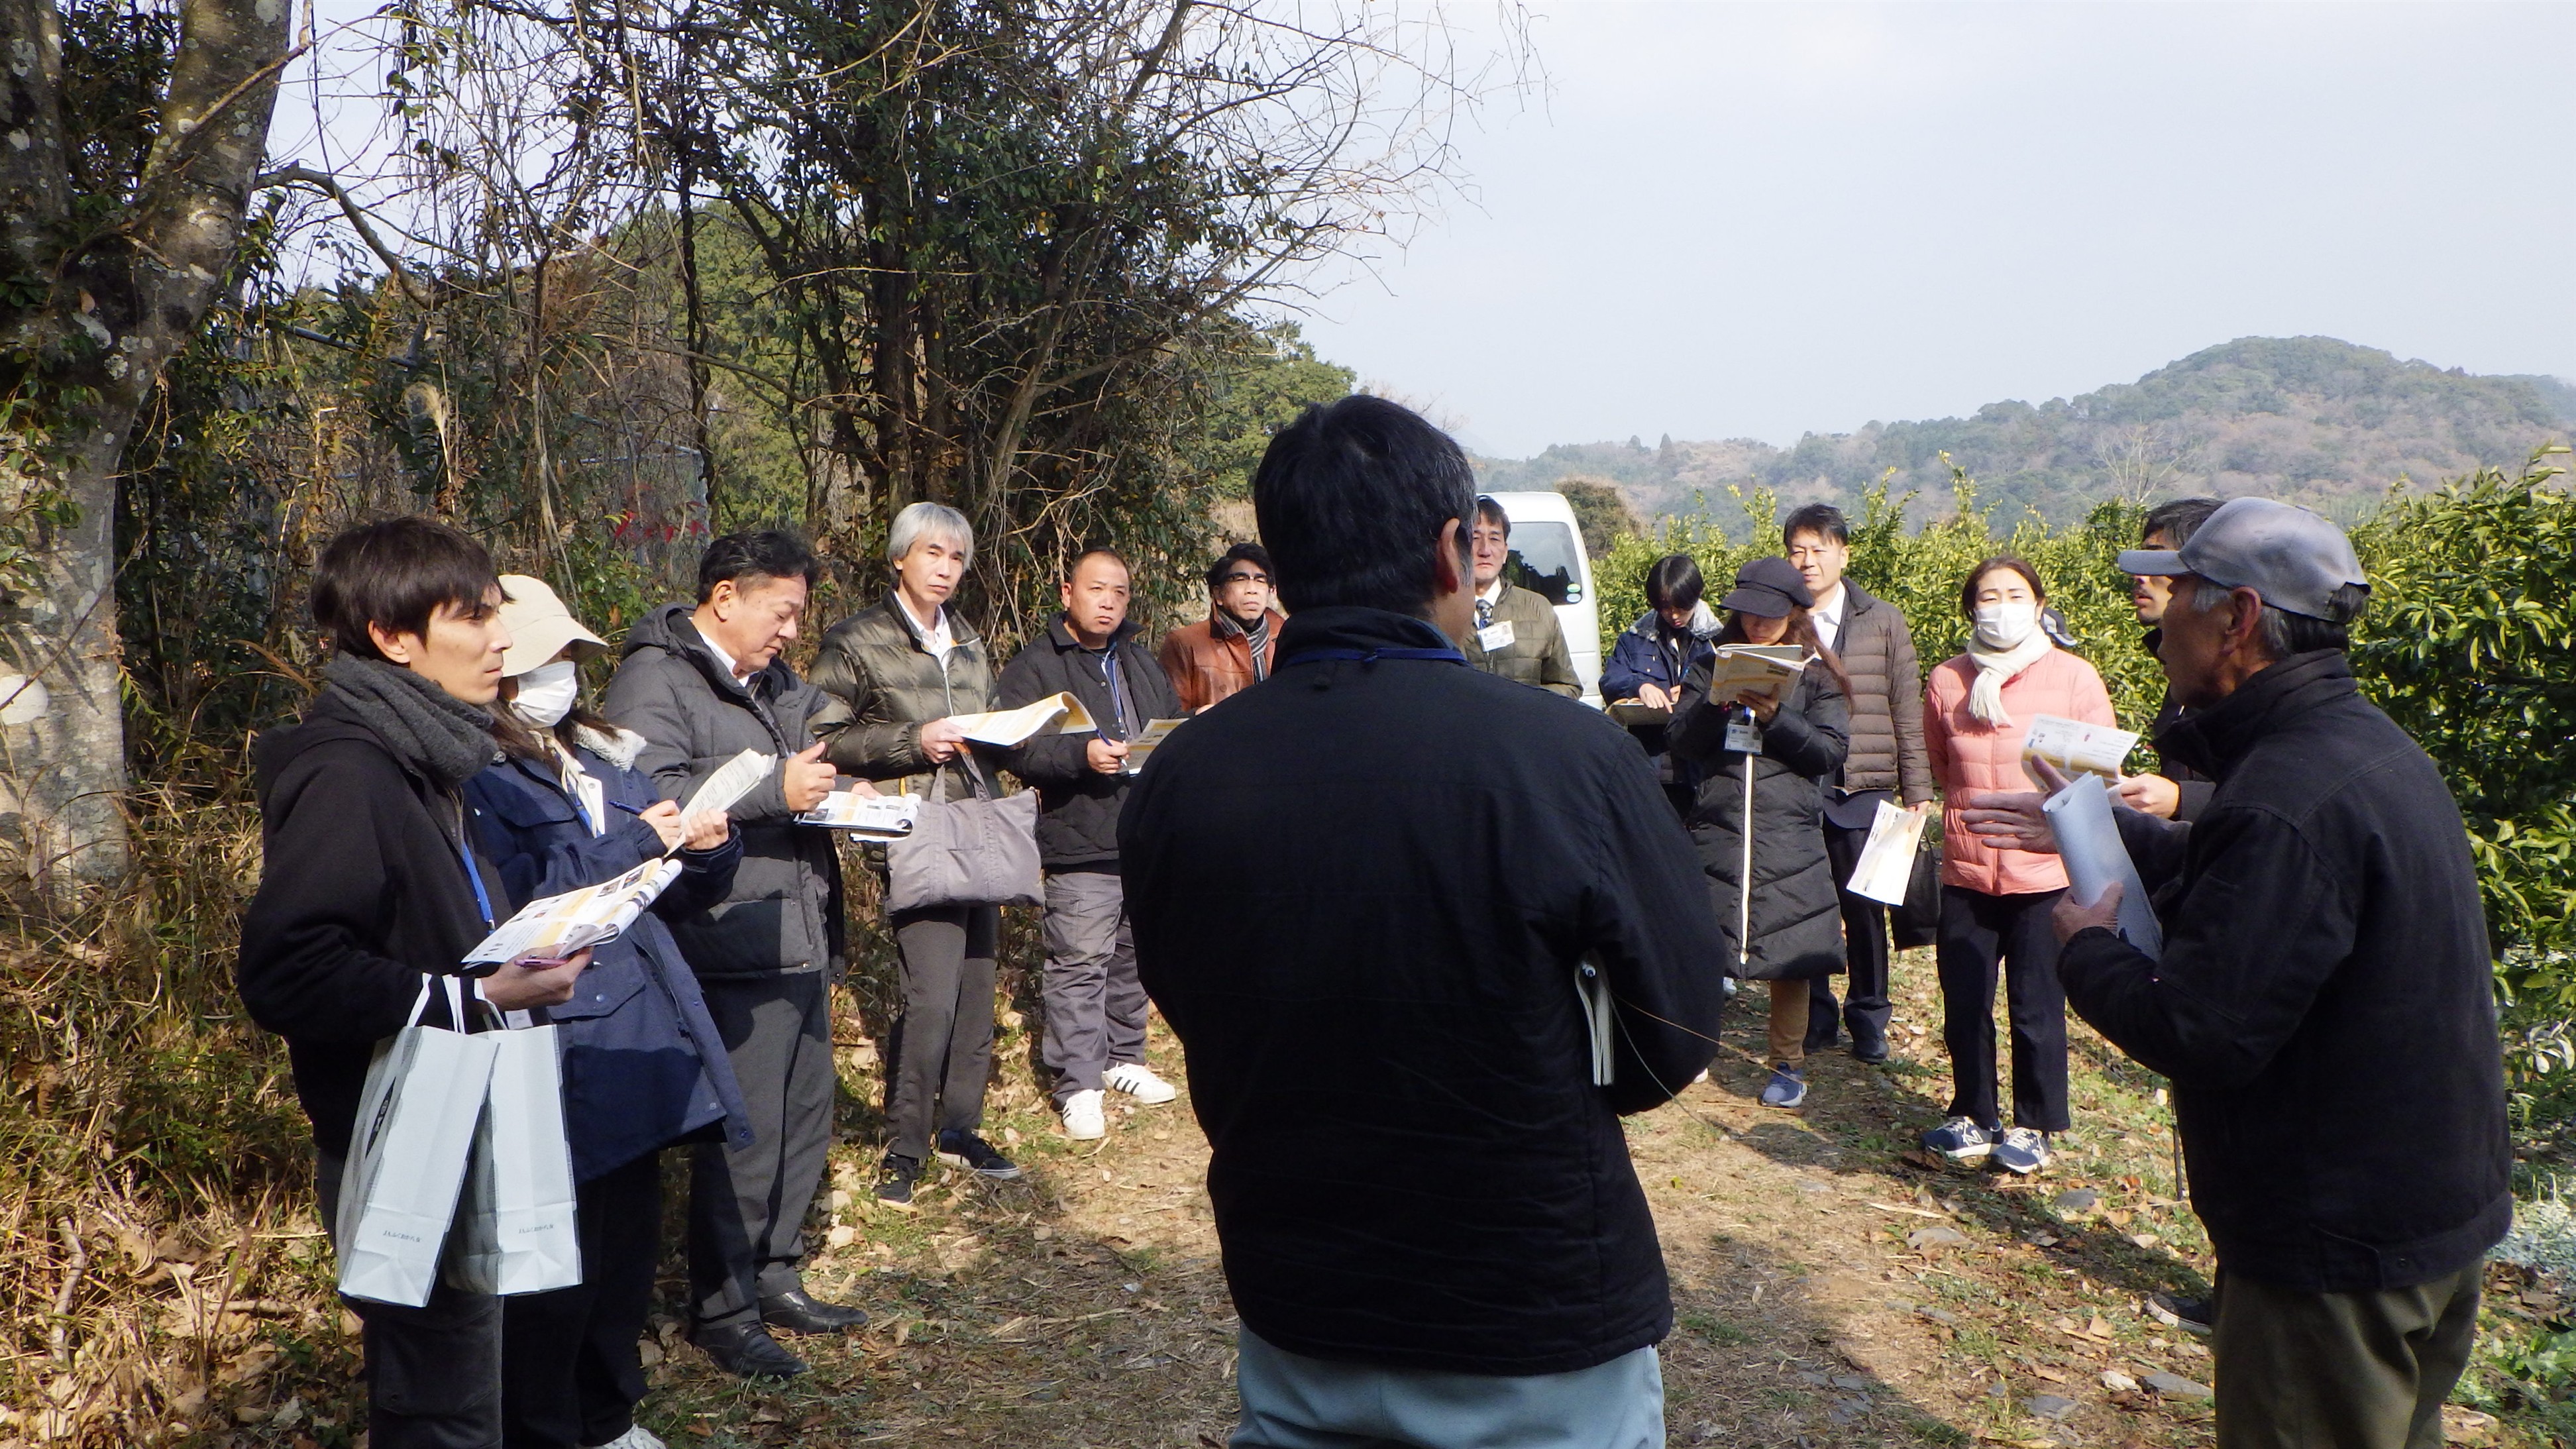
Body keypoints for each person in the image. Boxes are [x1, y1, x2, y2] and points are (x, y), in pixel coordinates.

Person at [1122, 395, 1726, 1449]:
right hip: (1535, 1302)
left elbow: (1191, 994)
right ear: (1454, 551)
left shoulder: (1183, 774)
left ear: (1286, 563)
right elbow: (1672, 1028)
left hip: (1301, 1294)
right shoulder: (1567, 757)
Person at [1961, 498, 2509, 1449]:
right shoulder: (2361, 749)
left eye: (2175, 593)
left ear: (2237, 617)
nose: (2157, 615)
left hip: (2332, 1245)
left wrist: (2084, 944)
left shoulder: (2286, 795)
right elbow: (2256, 887)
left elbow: (2202, 1029)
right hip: (2425, 1213)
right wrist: (2094, 818)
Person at [239, 518, 592, 1448]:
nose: (501, 640)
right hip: (402, 1139)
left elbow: (432, 925)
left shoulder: (429, 757)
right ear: (395, 637)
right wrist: (475, 998)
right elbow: (288, 968)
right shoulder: (350, 770)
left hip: (457, 1111)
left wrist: (523, 953)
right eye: (473, 617)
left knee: (460, 1388)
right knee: (440, 1408)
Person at [466, 576, 757, 1446]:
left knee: (624, 1252)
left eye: (573, 656)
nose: (567, 672)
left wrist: (707, 845)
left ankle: (608, 1414)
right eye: (551, 655)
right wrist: (637, 840)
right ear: (506, 665)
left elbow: (662, 876)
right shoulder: (480, 776)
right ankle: (547, 1423)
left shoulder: (598, 752)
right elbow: (512, 904)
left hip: (638, 1026)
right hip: (555, 1039)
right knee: (556, 1262)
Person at [604, 530, 854, 1380]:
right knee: (742, 1138)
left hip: (799, 924)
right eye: (780, 612)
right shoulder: (655, 678)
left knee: (800, 1118)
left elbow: (805, 763)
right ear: (724, 598)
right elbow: (647, 799)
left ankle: (775, 1274)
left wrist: (835, 792)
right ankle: (724, 1308)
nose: (791, 631)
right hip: (725, 935)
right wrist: (771, 793)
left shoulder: (773, 682)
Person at [808, 502, 1023, 1204]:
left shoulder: (965, 638)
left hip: (975, 824)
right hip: (911, 828)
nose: (946, 568)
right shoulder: (858, 638)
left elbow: (982, 724)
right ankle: (904, 1150)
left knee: (976, 987)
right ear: (900, 557)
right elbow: (823, 736)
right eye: (933, 553)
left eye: (957, 558)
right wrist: (913, 742)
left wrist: (1009, 735)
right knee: (929, 995)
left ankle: (960, 1128)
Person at [1917, 556, 2116, 1177]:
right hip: (1969, 868)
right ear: (1970, 607)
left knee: (2036, 1003)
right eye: (1987, 596)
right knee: (1965, 997)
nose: (2000, 606)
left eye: (2014, 594)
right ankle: (1974, 1112)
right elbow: (1944, 767)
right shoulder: (1948, 680)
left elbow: (2100, 772)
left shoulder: (2073, 677)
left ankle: (2036, 1123)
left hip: (2042, 873)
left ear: (2038, 604)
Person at [994, 548, 1186, 1140]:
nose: (1108, 601)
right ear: (1067, 592)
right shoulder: (1037, 665)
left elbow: (1170, 720)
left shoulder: (1138, 659)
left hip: (1141, 832)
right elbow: (1011, 744)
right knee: (1079, 962)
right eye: (1097, 588)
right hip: (1079, 833)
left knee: (1133, 955)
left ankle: (1123, 1057)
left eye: (1120, 592)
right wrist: (1080, 756)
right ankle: (1077, 1082)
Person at [1666, 557, 1851, 1111]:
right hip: (1720, 825)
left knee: (1788, 949)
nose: (1755, 624)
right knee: (1704, 941)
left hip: (1786, 832)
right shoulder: (1709, 663)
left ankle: (1788, 1064)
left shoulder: (1818, 676)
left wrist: (1776, 716)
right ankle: (1694, 1048)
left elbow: (1828, 752)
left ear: (1796, 613)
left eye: (1769, 615)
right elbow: (1682, 741)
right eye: (1746, 613)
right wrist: (1719, 704)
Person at [1782, 504, 1933, 1063]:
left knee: (1865, 904)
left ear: (1844, 553)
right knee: (1809, 903)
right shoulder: (1786, 620)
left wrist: (1917, 788)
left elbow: (1905, 707)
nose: (1809, 561)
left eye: (1820, 548)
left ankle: (1869, 1015)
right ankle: (1815, 1013)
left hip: (1866, 784)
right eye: (1798, 550)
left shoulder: (1883, 619)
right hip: (1804, 780)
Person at [2116, 497, 2224, 822]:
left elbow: (2282, 796)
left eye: (2156, 562)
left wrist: (2184, 800)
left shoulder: (2239, 681)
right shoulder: (2183, 674)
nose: (2139, 575)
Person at [1599, 553, 1721, 818]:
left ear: (1696, 595)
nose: (1674, 616)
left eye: (1681, 607)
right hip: (1650, 765)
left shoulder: (1718, 640)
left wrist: (1692, 694)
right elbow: (1610, 680)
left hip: (1701, 769)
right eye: (1665, 608)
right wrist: (1638, 686)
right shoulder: (1636, 637)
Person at [1461, 495, 1582, 697]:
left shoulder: (1538, 608)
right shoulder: (1440, 610)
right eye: (1474, 538)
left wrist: (1526, 703)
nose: (1485, 550)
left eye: (1494, 538)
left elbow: (1569, 686)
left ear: (1505, 552)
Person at [1159, 542, 1283, 712]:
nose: (1252, 589)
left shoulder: (1286, 638)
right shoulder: (1185, 643)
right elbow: (1170, 717)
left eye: (1261, 580)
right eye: (1240, 579)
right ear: (1218, 594)